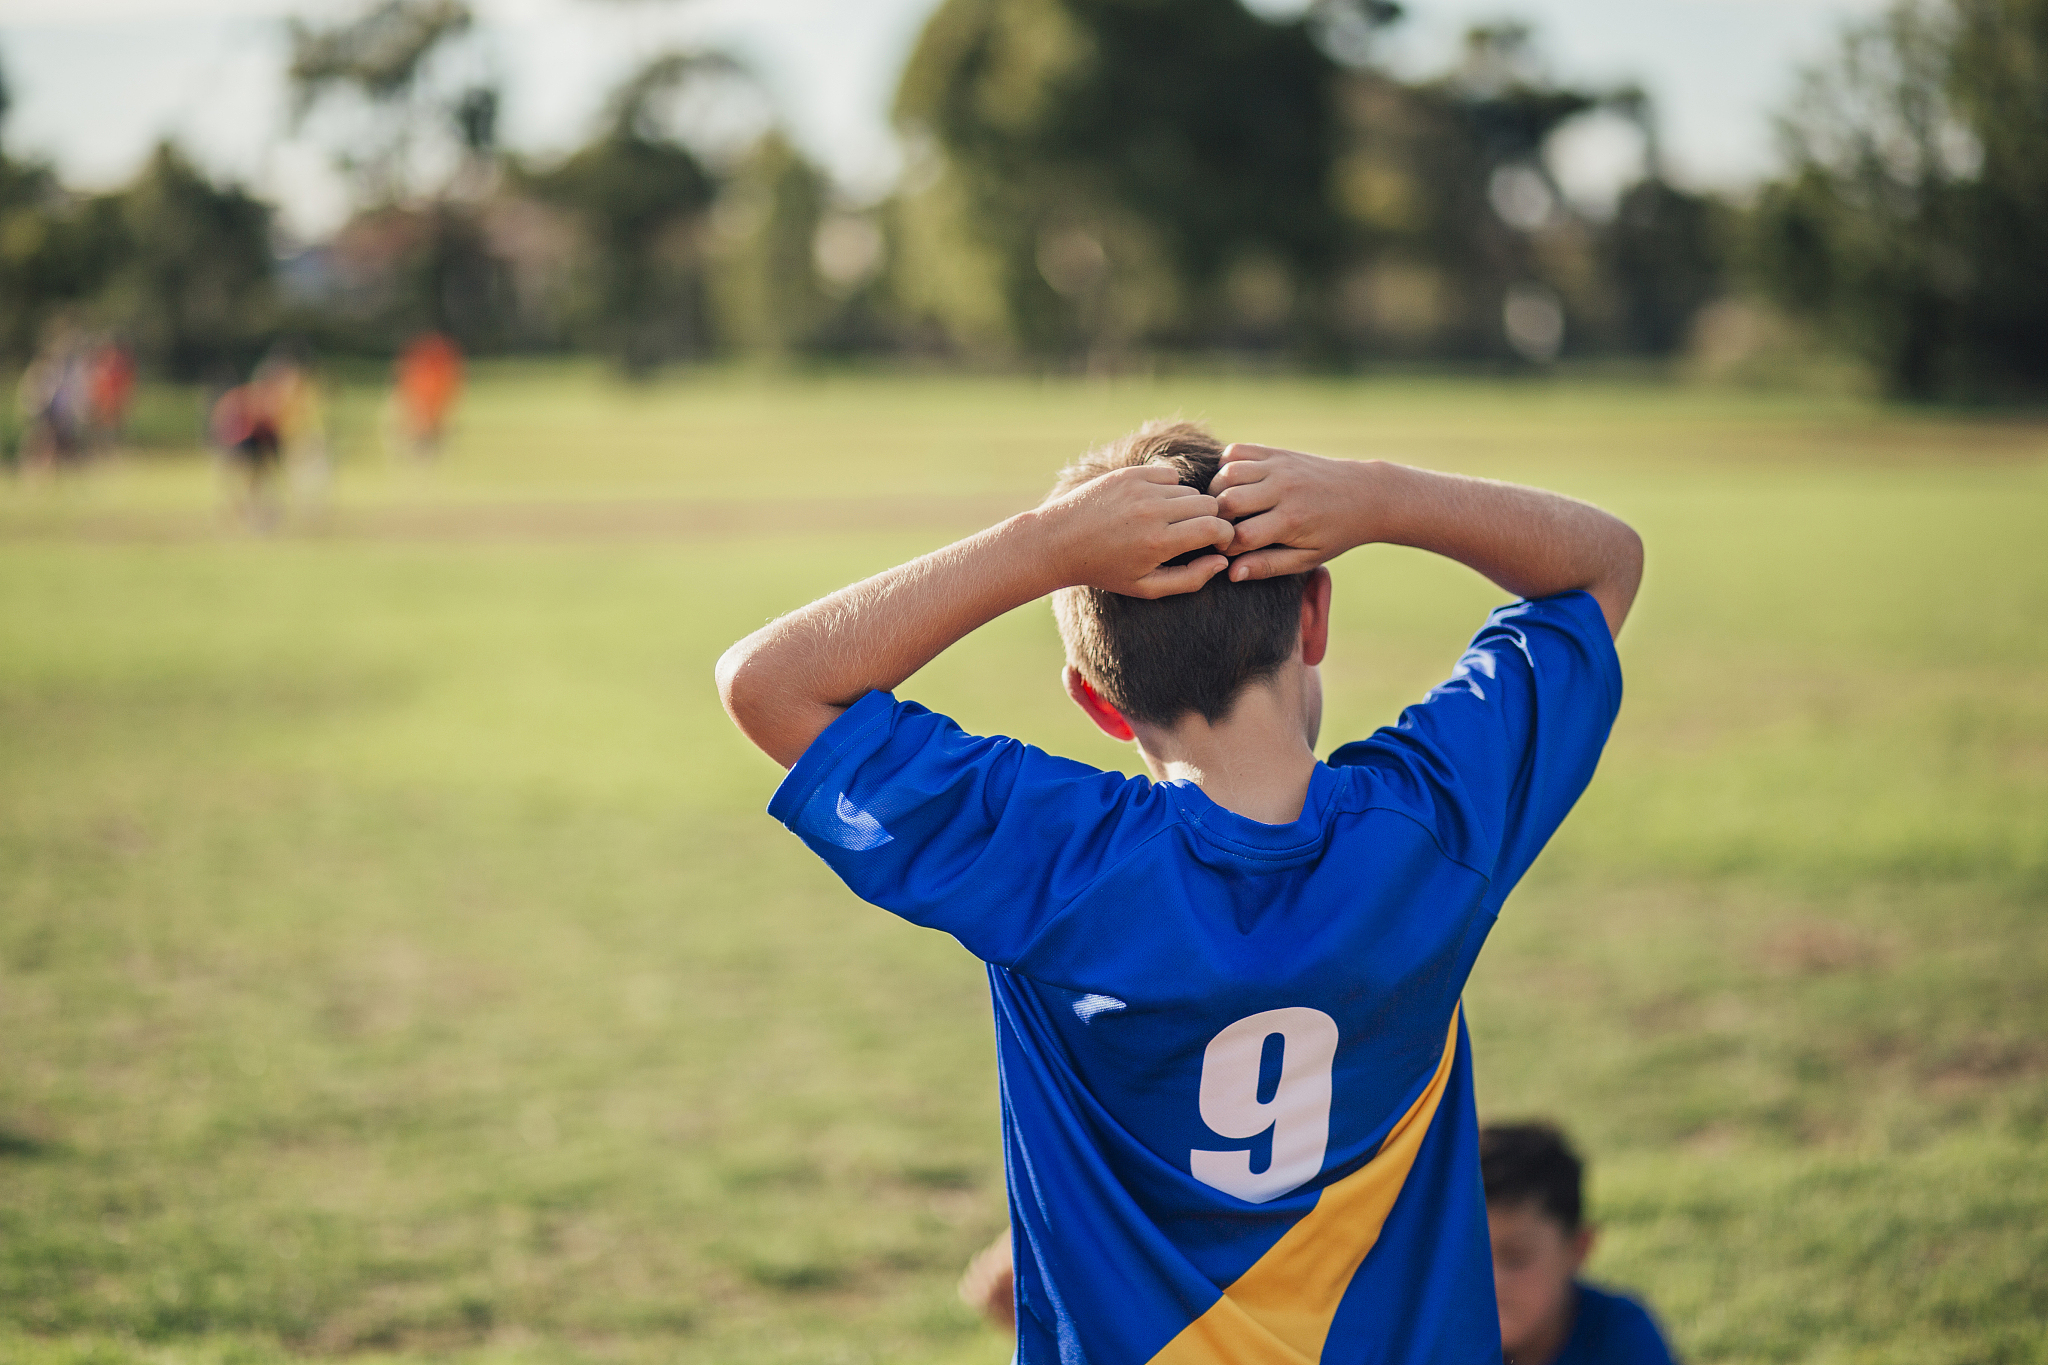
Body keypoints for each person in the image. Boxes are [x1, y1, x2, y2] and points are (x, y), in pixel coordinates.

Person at [717, 420, 1643, 1362]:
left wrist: (1045, 546)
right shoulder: (1435, 821)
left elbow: (769, 683)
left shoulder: (1052, 856)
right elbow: (1602, 565)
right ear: (1314, 618)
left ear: (1094, 697)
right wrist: (1379, 497)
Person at [1484, 1122, 1679, 1365]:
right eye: (1470, 1260)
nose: (1491, 1281)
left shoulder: (1623, 1339)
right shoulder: (1441, 1333)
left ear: (1577, 1248)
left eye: (1516, 1257)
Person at [392, 331, 463, 457]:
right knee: (422, 417)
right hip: (426, 393)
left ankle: (424, 446)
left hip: (431, 393)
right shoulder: (427, 358)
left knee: (427, 417)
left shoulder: (436, 358)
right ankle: (422, 445)